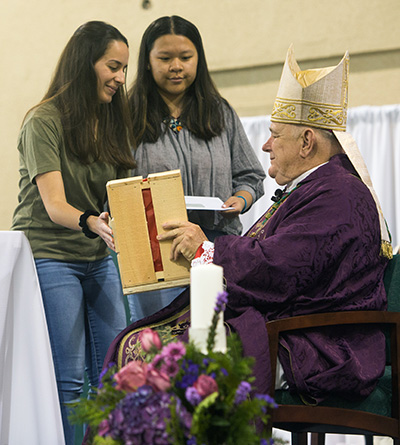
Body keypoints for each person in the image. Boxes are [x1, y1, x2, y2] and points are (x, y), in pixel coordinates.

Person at [103, 45, 393, 405]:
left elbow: (281, 267)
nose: (266, 144)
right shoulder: (318, 186)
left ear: (307, 141)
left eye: (275, 134)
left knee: (168, 361)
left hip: (319, 347)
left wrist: (205, 247)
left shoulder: (337, 193)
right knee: (144, 345)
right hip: (292, 328)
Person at [11, 21, 136, 444]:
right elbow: (54, 205)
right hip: (49, 255)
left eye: (124, 69)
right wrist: (93, 222)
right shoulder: (42, 121)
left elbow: (120, 194)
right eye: (113, 67)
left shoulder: (111, 121)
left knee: (115, 372)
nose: (121, 78)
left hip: (97, 255)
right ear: (86, 64)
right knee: (70, 377)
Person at [126, 15, 266, 322]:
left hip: (214, 245)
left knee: (215, 337)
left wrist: (240, 200)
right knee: (162, 345)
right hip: (158, 251)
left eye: (186, 57)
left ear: (198, 61)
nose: (176, 66)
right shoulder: (127, 115)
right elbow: (115, 185)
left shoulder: (219, 111)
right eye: (165, 58)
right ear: (147, 62)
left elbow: (251, 176)